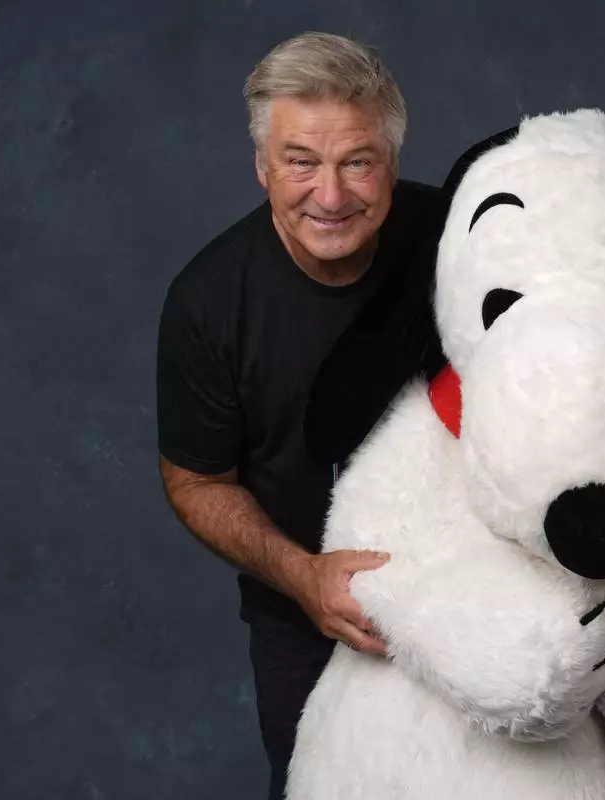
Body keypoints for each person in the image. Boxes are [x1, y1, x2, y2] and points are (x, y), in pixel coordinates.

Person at [154, 31, 447, 798]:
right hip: (308, 623)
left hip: (471, 598)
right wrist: (304, 577)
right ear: (262, 166)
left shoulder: (464, 241)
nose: (331, 196)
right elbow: (195, 482)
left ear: (392, 160)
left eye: (357, 161)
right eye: (301, 162)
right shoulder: (208, 303)